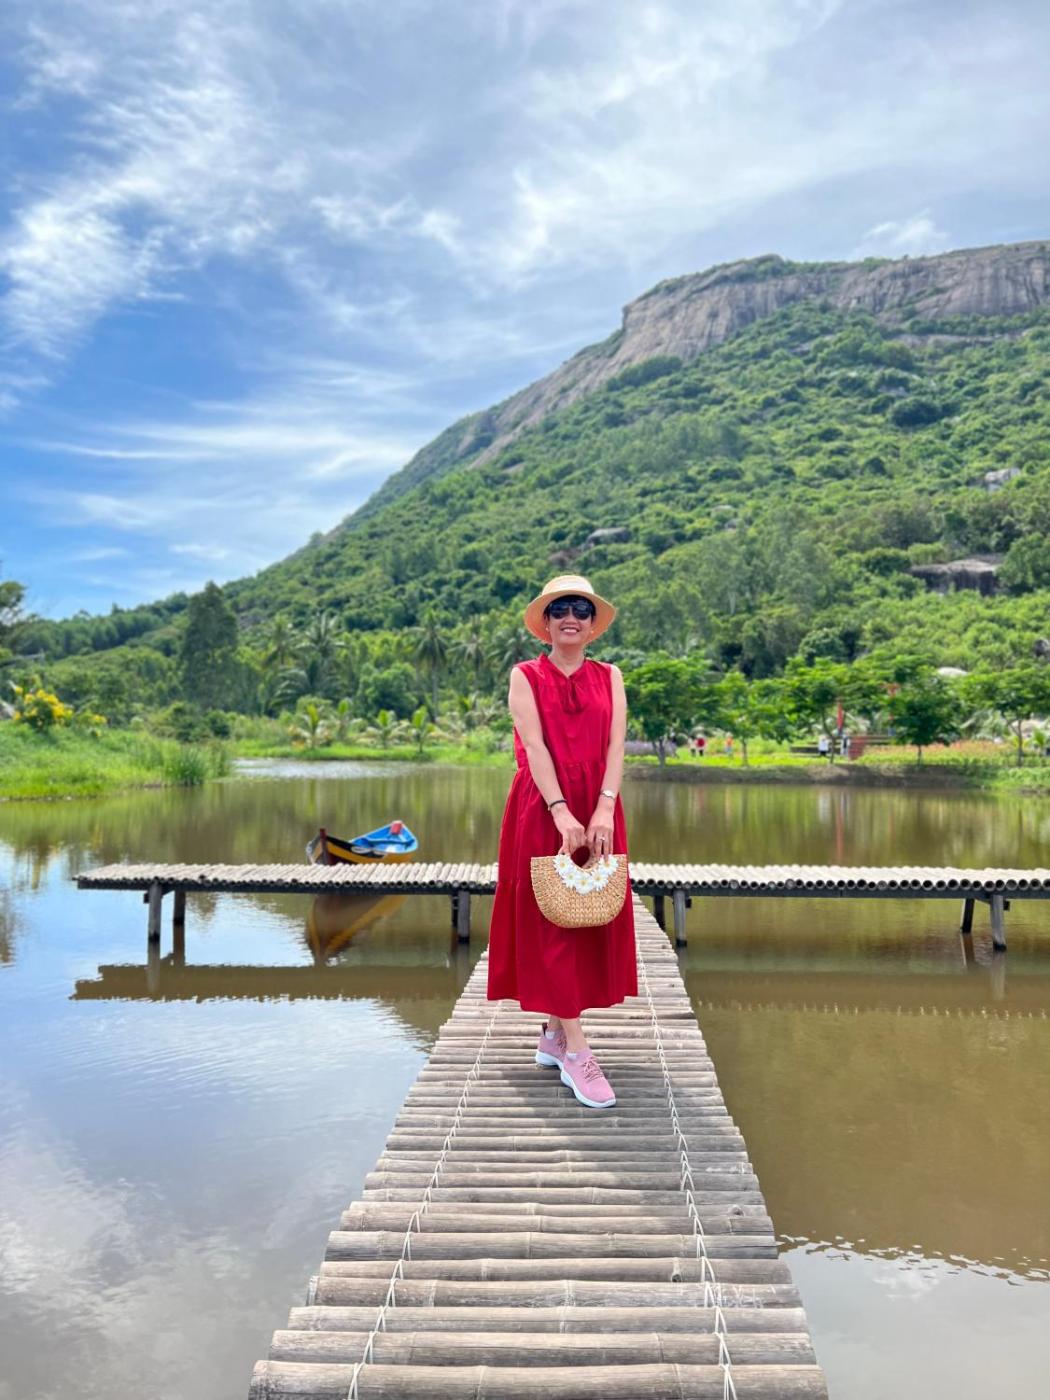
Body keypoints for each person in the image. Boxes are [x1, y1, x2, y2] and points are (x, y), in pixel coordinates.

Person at [487, 574, 637, 1109]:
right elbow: (534, 746)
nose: (570, 617)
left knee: (582, 913)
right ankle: (577, 1050)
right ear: (545, 624)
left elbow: (617, 744)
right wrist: (560, 811)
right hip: (542, 804)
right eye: (559, 609)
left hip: (599, 803)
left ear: (593, 625)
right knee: (550, 921)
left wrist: (604, 806)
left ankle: (553, 1034)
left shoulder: (611, 676)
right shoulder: (525, 675)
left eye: (580, 608)